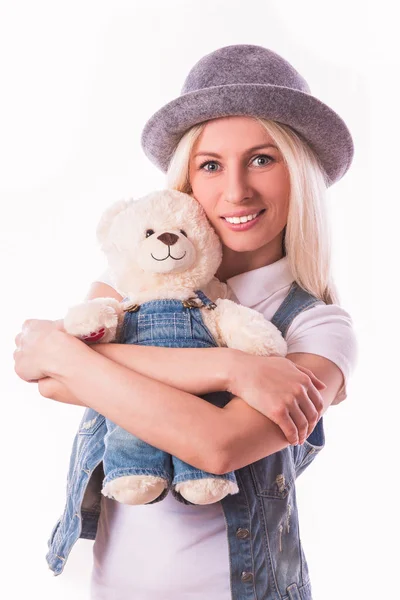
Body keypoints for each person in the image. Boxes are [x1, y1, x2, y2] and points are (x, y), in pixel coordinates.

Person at [13, 44, 358, 599]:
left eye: (263, 159)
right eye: (211, 164)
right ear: (187, 180)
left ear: (299, 173)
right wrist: (231, 369)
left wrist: (66, 352)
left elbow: (217, 446)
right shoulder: (133, 276)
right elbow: (45, 374)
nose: (236, 189)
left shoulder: (318, 328)